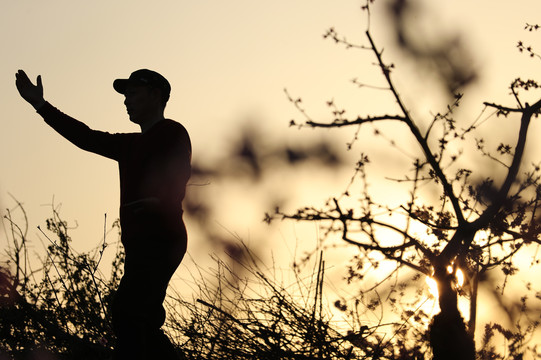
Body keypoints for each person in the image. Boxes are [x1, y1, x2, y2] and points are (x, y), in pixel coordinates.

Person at [15, 69, 191, 360]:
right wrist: (41, 105)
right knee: (137, 317)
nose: (126, 101)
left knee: (129, 313)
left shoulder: (171, 131)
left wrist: (162, 200)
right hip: (140, 242)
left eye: (132, 93)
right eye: (125, 96)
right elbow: (86, 137)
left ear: (156, 95)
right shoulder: (129, 144)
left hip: (161, 236)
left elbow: (180, 169)